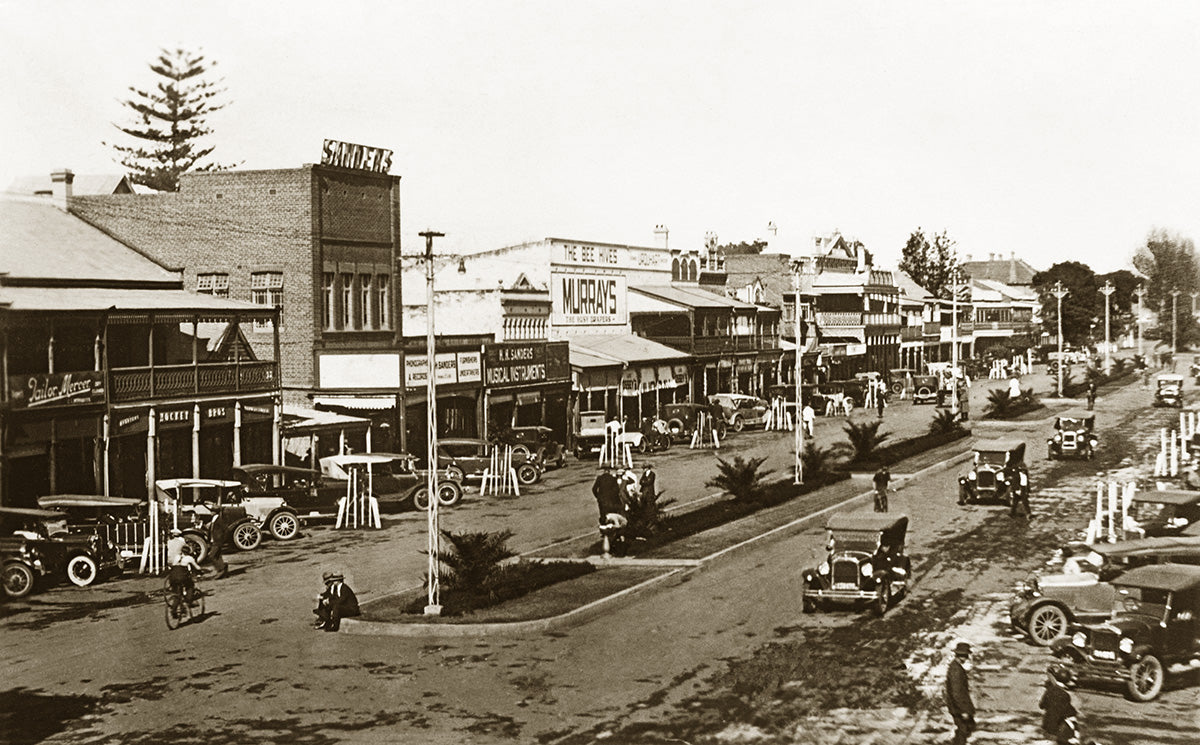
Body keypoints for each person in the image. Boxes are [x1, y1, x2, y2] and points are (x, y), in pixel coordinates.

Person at [945, 640, 976, 745]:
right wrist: (963, 710)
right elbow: (956, 693)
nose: (967, 658)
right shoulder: (956, 670)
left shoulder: (955, 667)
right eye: (965, 655)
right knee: (963, 732)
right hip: (959, 708)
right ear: (961, 655)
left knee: (965, 729)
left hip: (958, 706)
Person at [1039, 664, 1079, 744]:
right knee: (1073, 725)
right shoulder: (1065, 695)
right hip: (1057, 730)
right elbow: (1065, 712)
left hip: (1046, 727)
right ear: (1067, 681)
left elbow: (1041, 705)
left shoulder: (1049, 691)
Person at [166, 528, 200, 606]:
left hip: (171, 561)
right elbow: (188, 549)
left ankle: (176, 592)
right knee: (187, 566)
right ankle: (188, 596)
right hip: (180, 558)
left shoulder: (169, 542)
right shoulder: (182, 541)